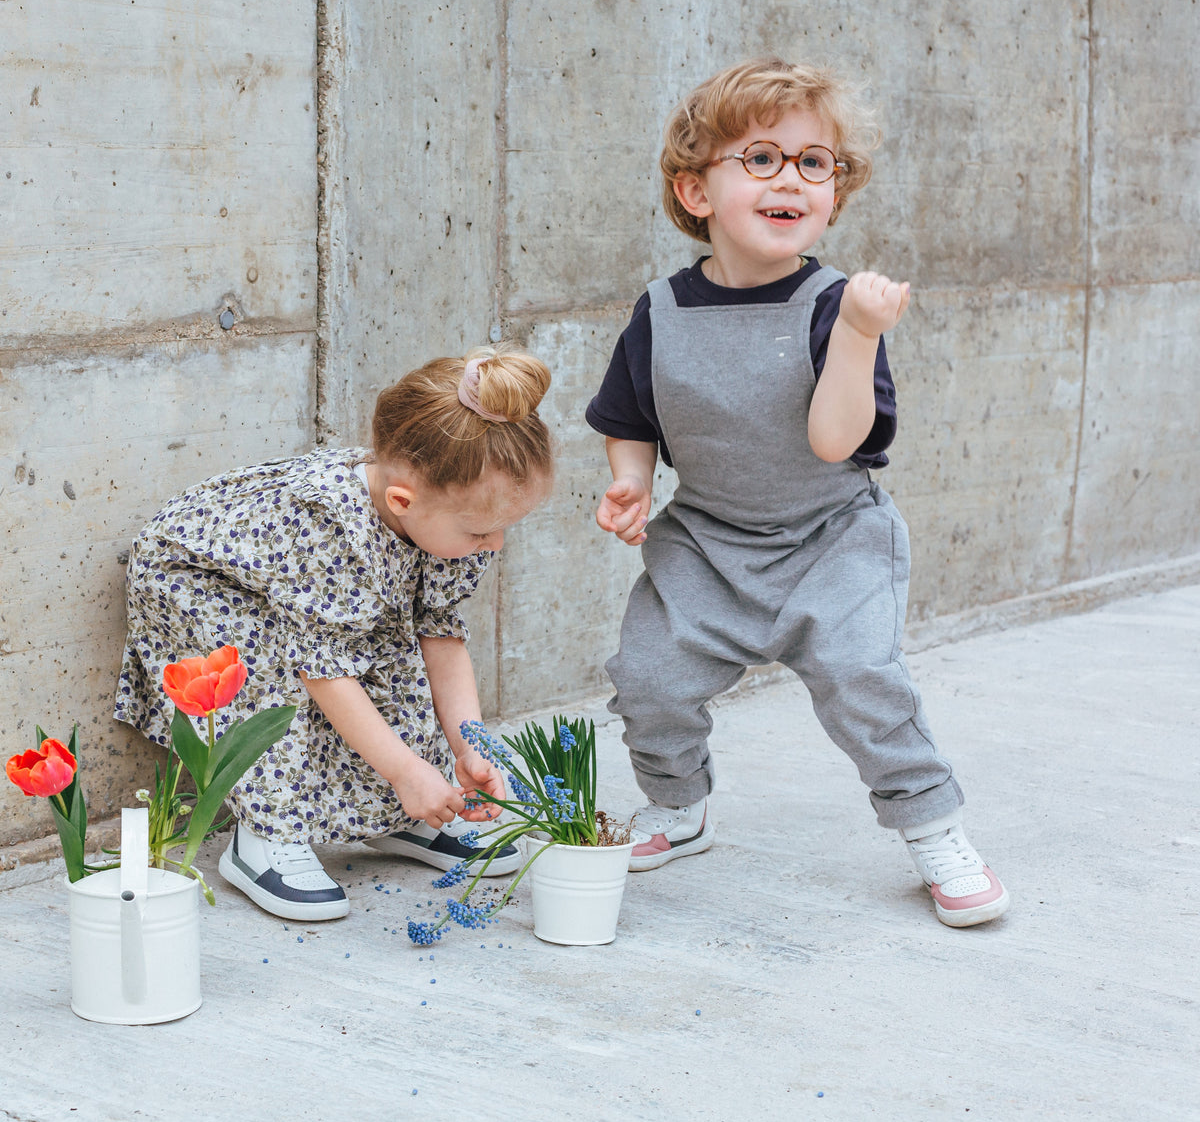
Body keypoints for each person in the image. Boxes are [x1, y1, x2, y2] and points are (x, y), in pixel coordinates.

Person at [586, 57, 1008, 927]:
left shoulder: (833, 306)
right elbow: (628, 412)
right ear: (696, 192)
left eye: (816, 164)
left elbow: (833, 442)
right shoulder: (660, 310)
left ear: (833, 194)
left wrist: (857, 335)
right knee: (649, 676)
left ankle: (931, 823)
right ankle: (679, 804)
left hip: (831, 539)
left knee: (863, 679)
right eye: (764, 158)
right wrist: (629, 480)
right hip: (706, 539)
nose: (793, 179)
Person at [116, 346, 554, 922]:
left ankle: (398, 816)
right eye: (483, 531)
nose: (494, 544)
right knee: (271, 675)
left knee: (395, 660)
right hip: (204, 582)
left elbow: (441, 637)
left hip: (314, 589)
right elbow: (326, 673)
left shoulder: (447, 519)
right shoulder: (329, 527)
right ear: (402, 501)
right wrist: (406, 769)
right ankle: (267, 834)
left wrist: (469, 748)